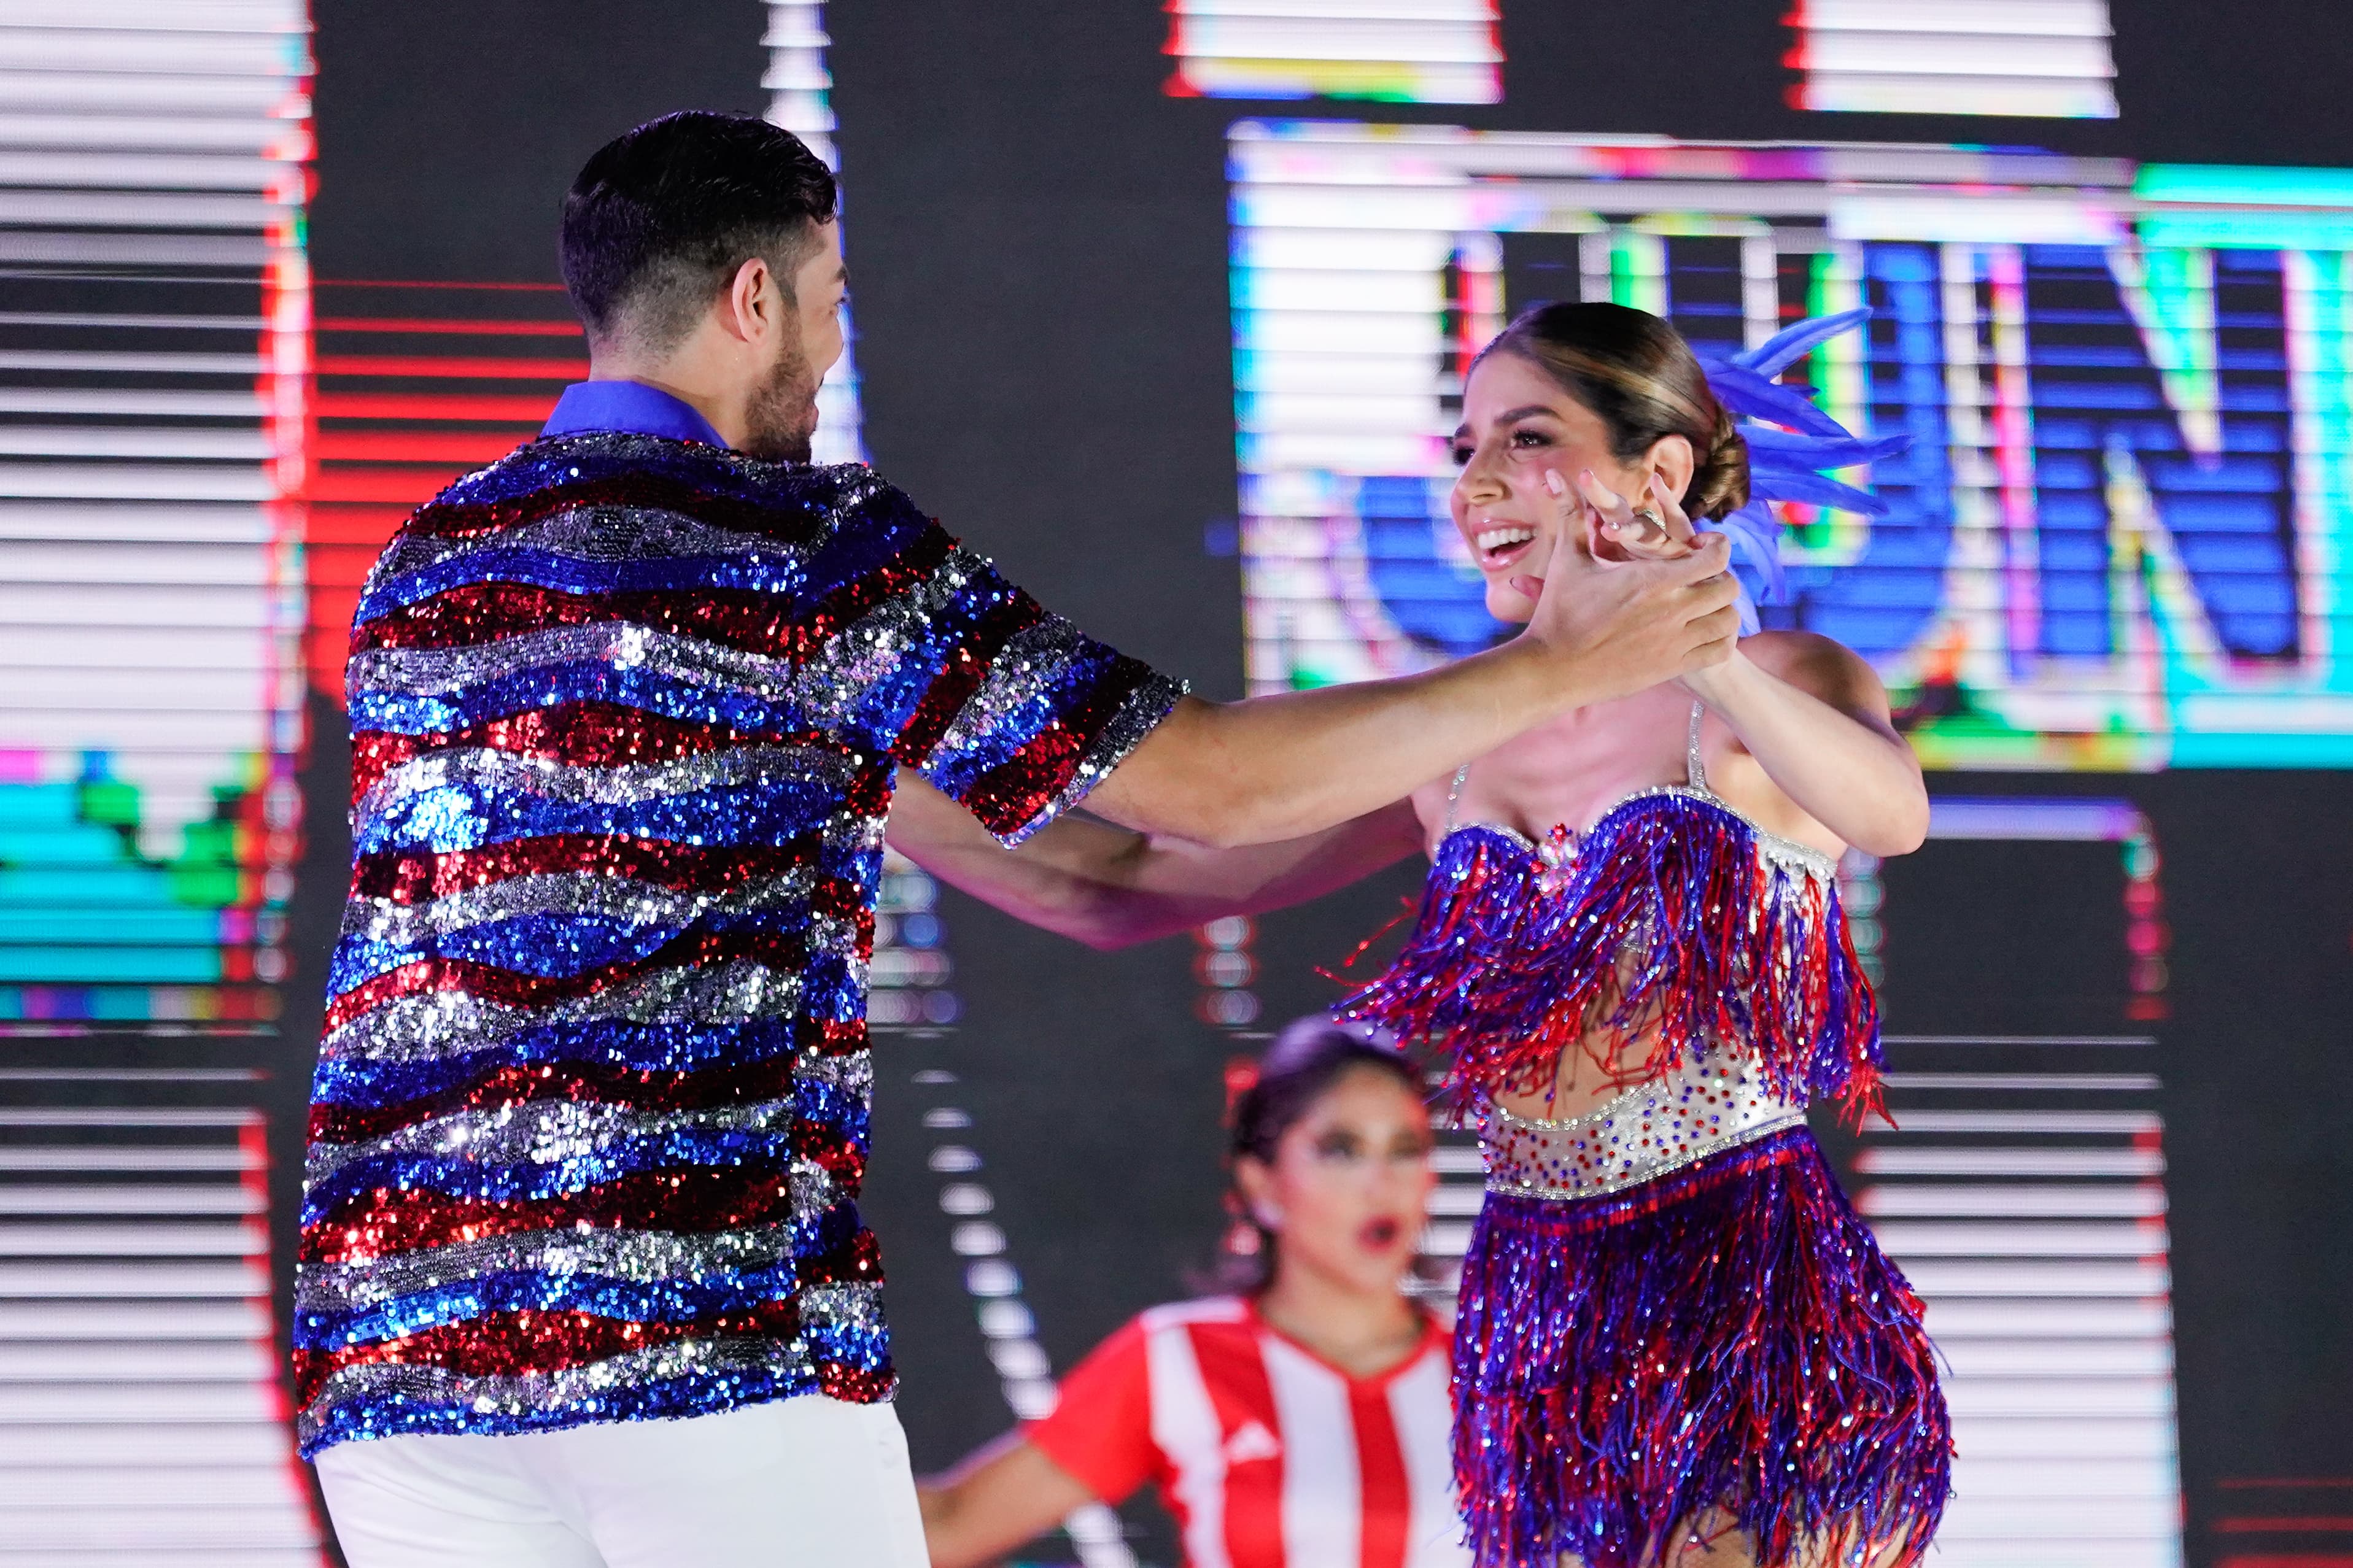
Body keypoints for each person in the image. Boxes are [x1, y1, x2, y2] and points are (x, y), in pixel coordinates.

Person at [296, 112, 1742, 1567]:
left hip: (395, 1379)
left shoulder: (426, 563)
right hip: (706, 1343)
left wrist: (1459, 762)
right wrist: (1561, 669)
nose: (836, 342)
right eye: (835, 297)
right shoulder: (813, 550)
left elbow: (1081, 881)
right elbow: (1209, 786)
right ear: (755, 302)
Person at [897, 303, 1952, 1567]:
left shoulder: (1777, 682)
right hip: (1534, 1301)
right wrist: (844, 764)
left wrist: (1704, 650)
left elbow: (1887, 814)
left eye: (1526, 437)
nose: (1477, 483)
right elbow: (1118, 875)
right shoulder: (1448, 739)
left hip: (1733, 1269)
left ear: (1656, 473)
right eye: (1463, 449)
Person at [920, 1019, 1470, 1568]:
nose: (1382, 1183)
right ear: (1263, 1185)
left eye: (1406, 1148)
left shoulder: (1492, 1376)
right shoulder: (1178, 1357)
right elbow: (949, 1525)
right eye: (1341, 1150)